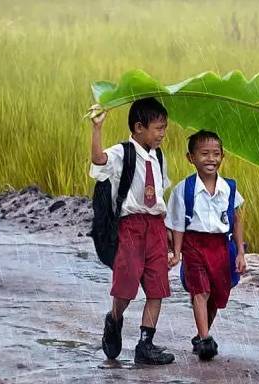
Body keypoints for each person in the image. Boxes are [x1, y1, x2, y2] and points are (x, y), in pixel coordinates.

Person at [89, 97, 178, 365]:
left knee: (157, 287)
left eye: (164, 128)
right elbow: (98, 159)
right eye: (158, 128)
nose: (163, 134)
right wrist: (96, 129)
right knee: (126, 287)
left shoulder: (159, 156)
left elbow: (161, 194)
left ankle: (145, 344)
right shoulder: (122, 152)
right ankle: (114, 319)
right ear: (139, 127)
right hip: (130, 227)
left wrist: (169, 232)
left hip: (156, 227)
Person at [165, 130, 247, 361]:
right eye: (204, 154)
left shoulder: (229, 188)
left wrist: (240, 252)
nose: (210, 159)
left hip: (221, 246)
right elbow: (178, 224)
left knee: (217, 295)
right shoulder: (184, 189)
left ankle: (203, 333)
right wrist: (177, 253)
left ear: (223, 156)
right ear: (190, 158)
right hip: (194, 244)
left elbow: (237, 218)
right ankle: (205, 340)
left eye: (216, 153)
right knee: (200, 290)